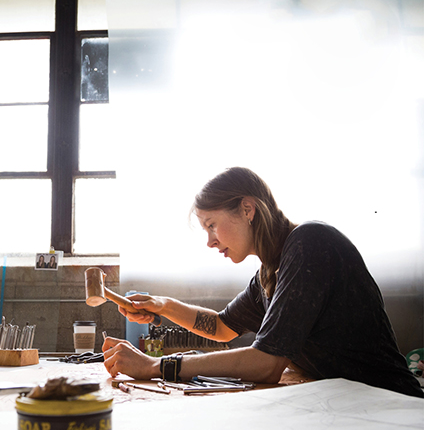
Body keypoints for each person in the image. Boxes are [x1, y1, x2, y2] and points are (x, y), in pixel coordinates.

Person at [103, 167, 423, 398]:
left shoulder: (308, 244)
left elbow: (266, 364)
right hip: (352, 402)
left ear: (247, 208)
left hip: (391, 404)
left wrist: (156, 366)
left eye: (212, 225)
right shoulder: (270, 271)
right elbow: (221, 328)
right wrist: (162, 306)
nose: (210, 242)